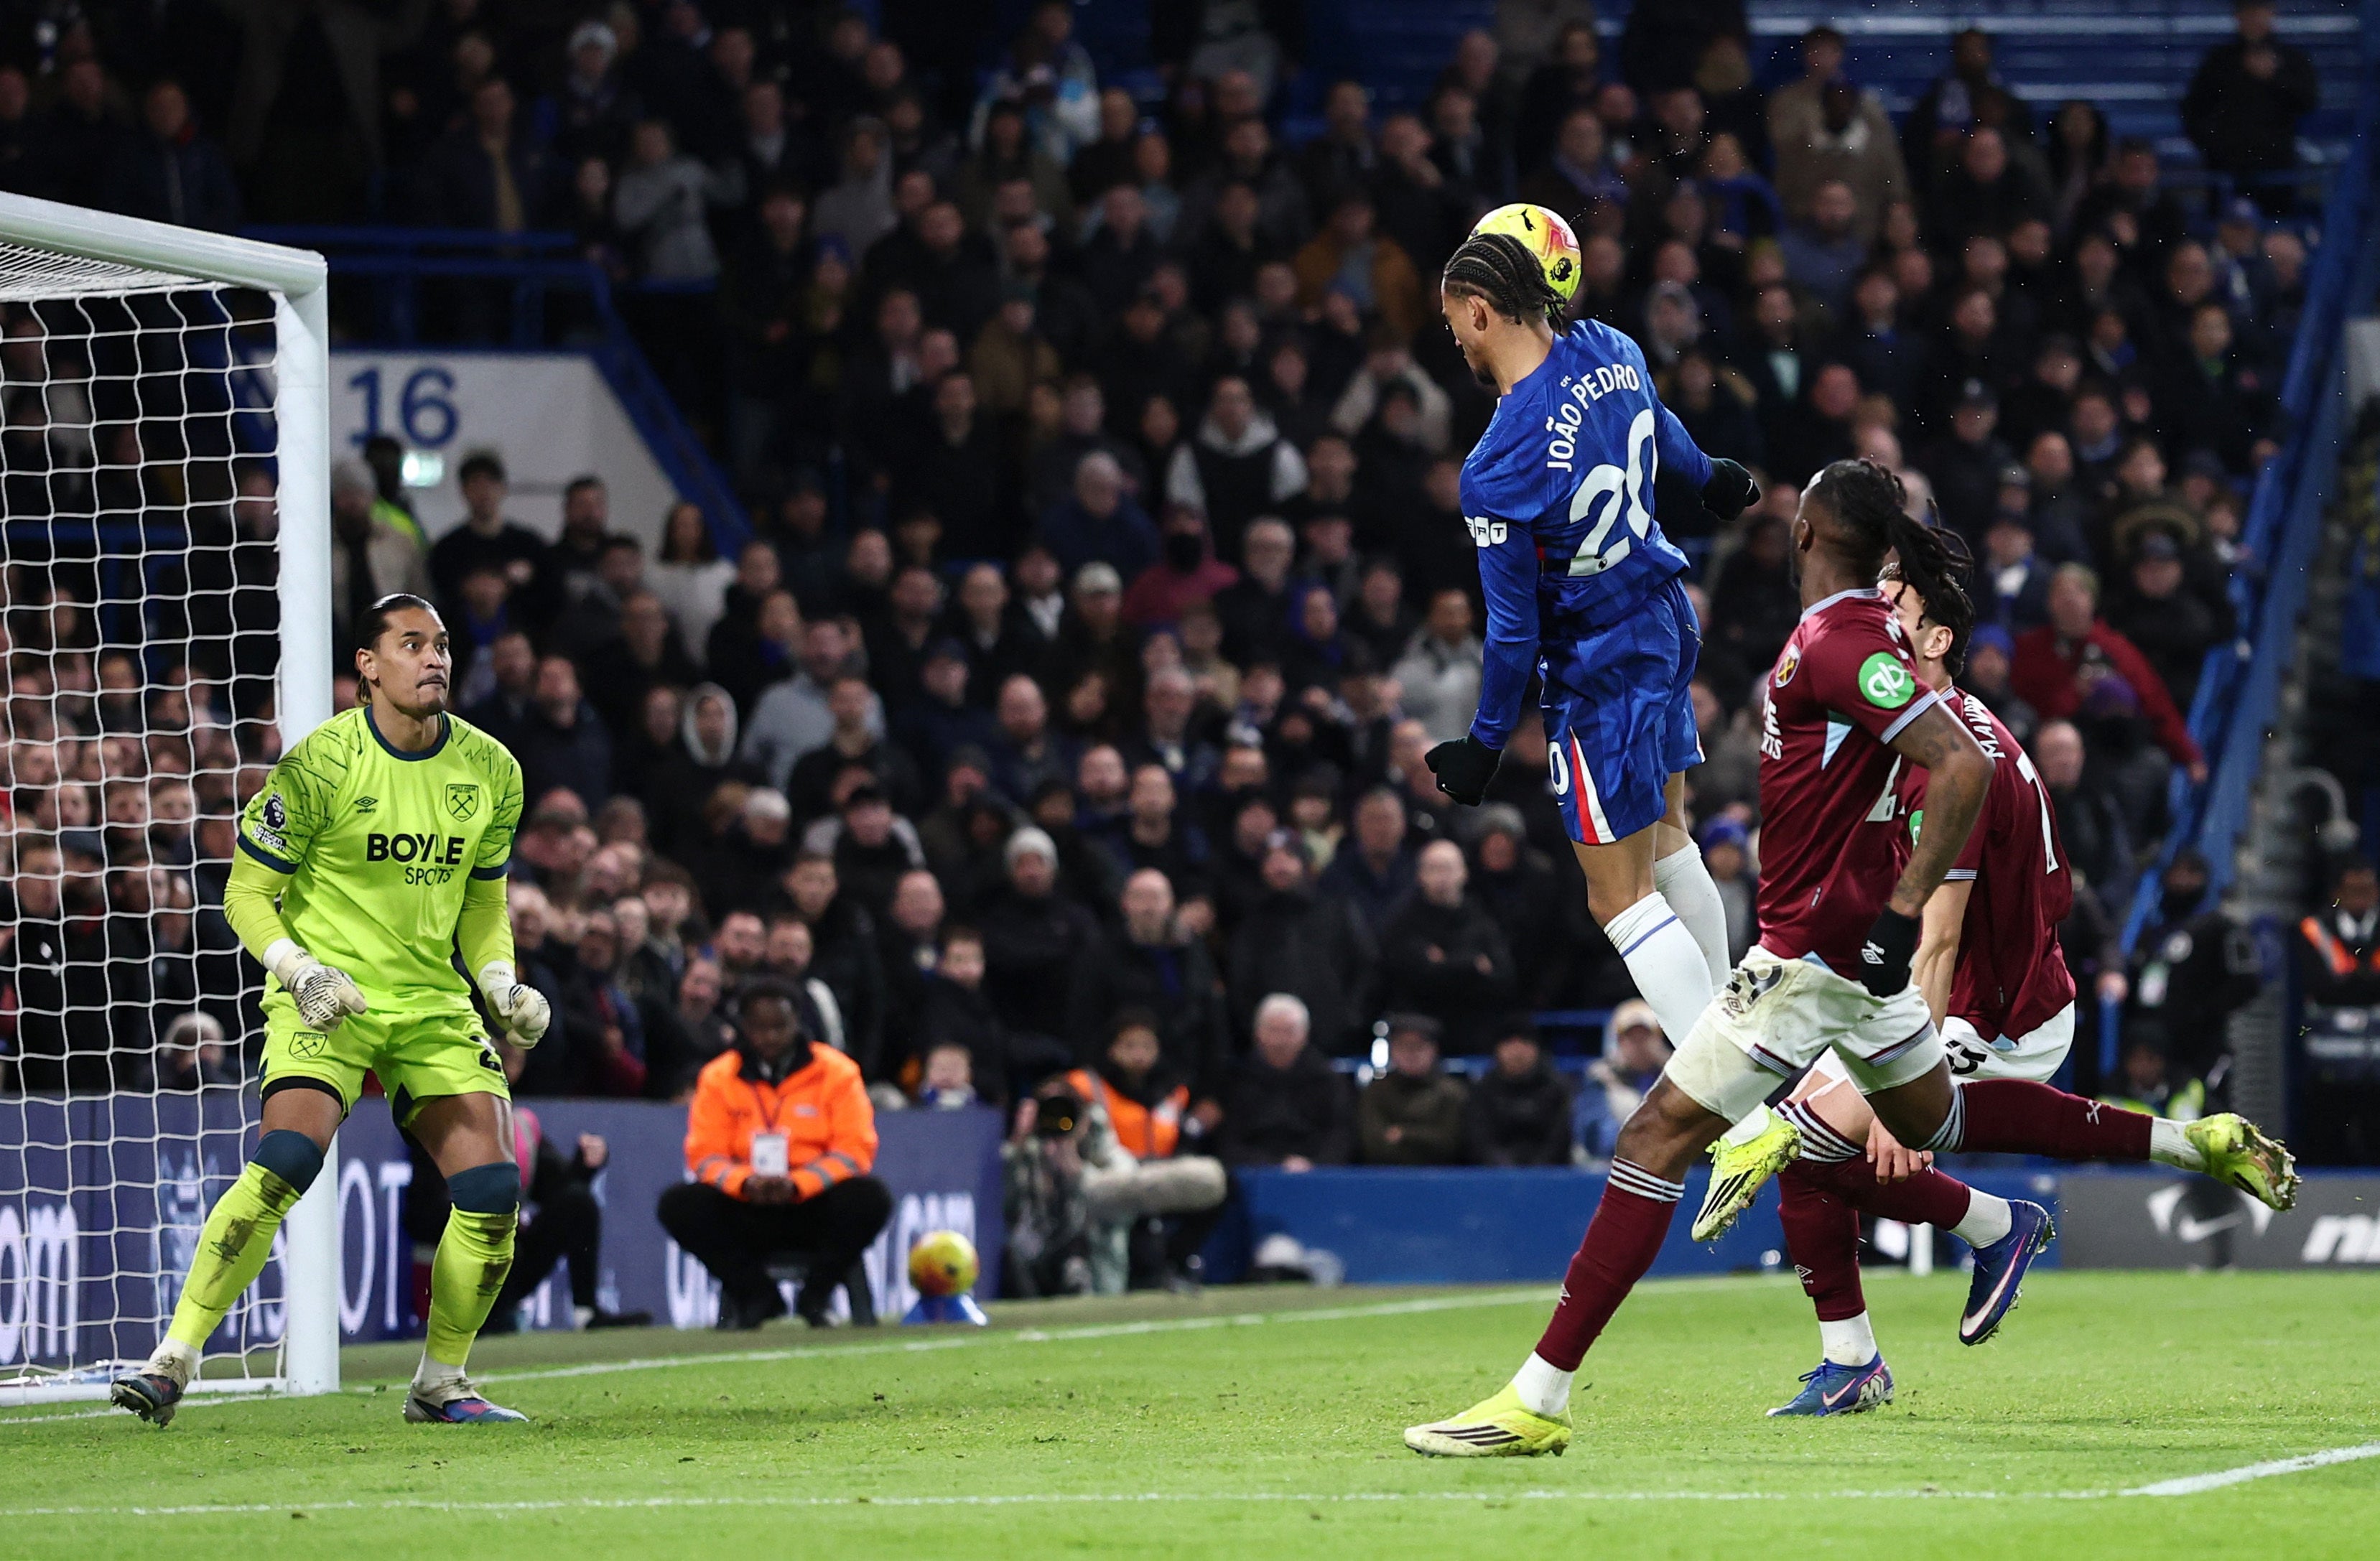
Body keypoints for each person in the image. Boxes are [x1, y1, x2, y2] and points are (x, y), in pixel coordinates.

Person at [1405, 459, 2299, 1459]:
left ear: (1801, 534)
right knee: (1932, 1120)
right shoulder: (1869, 644)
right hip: (1867, 969)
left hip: (1811, 959)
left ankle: (1537, 1396)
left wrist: (1899, 910)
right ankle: (2099, 1182)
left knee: (1653, 1138)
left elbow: (1955, 762)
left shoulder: (1839, 643)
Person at [114, 594, 551, 1427]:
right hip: (327, 996)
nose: (435, 658)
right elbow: (247, 893)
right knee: (285, 1159)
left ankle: (440, 1382)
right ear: (368, 665)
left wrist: (498, 983)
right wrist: (298, 968)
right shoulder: (319, 764)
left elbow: (484, 903)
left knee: (493, 1189)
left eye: (443, 643)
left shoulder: (492, 767)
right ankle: (174, 1357)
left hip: (429, 1000)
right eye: (412, 643)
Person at [1734, 544, 2090, 1413]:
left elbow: (1937, 940)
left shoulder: (1949, 756)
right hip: (1937, 989)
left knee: (1815, 1140)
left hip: (1992, 1011)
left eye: (1891, 607)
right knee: (1801, 1141)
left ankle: (1987, 1231)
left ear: (1932, 638)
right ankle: (1867, 1344)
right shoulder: (1916, 732)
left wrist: (1908, 1082)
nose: (1875, 622)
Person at [1422, 228, 1757, 1062]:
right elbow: (1653, 415)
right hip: (1667, 616)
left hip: (1598, 662)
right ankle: (1732, 1029)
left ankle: (1723, 1077)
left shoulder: (1497, 462)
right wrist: (1707, 472)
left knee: (1617, 896)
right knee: (1670, 836)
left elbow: (1511, 630)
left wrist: (1484, 744)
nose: (1454, 338)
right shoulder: (1609, 346)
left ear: (1478, 309)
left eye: (1453, 322)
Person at [658, 979, 892, 1330]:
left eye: (779, 1027)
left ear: (797, 1021)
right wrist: (745, 1182)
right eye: (759, 1028)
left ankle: (816, 1296)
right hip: (747, 1205)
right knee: (679, 1204)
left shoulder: (838, 1073)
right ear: (744, 1028)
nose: (769, 1038)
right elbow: (705, 1155)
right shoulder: (718, 1077)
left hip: (812, 1205)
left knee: (870, 1198)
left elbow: (854, 1149)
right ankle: (758, 1296)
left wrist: (799, 1184)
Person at [1356, 1014, 1468, 1165]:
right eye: (1403, 1046)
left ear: (1434, 1050)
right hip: (1387, 1178)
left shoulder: (1452, 1093)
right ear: (1392, 1050)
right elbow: (1373, 1146)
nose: (1411, 1054)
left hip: (1442, 1179)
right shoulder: (1376, 1092)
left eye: (1418, 1046)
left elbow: (1450, 1144)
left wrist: (1403, 1133)